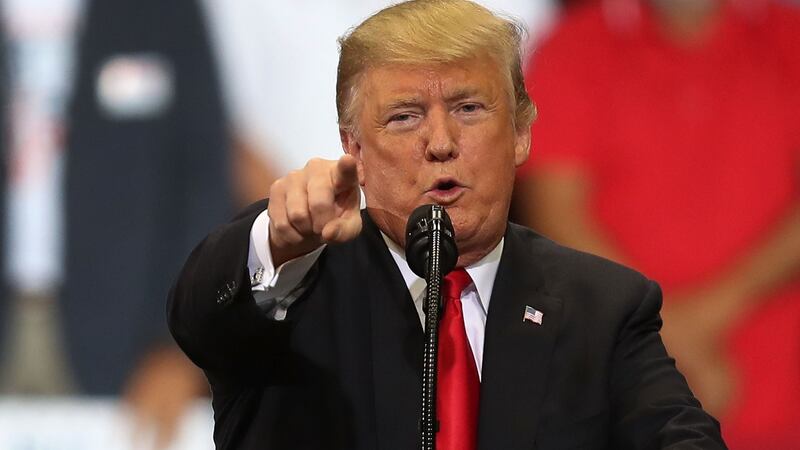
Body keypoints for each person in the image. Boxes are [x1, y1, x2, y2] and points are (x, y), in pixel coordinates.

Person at [168, 1, 726, 448]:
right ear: (353, 149)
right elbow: (198, 318)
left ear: (522, 134)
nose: (439, 143)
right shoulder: (293, 290)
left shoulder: (602, 307)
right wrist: (278, 239)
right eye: (405, 116)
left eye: (468, 109)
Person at [514, 0, 800, 447]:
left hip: (778, 397)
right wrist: (670, 334)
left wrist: (692, 323)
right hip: (622, 399)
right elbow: (555, 213)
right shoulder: (573, 49)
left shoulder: (788, 34)